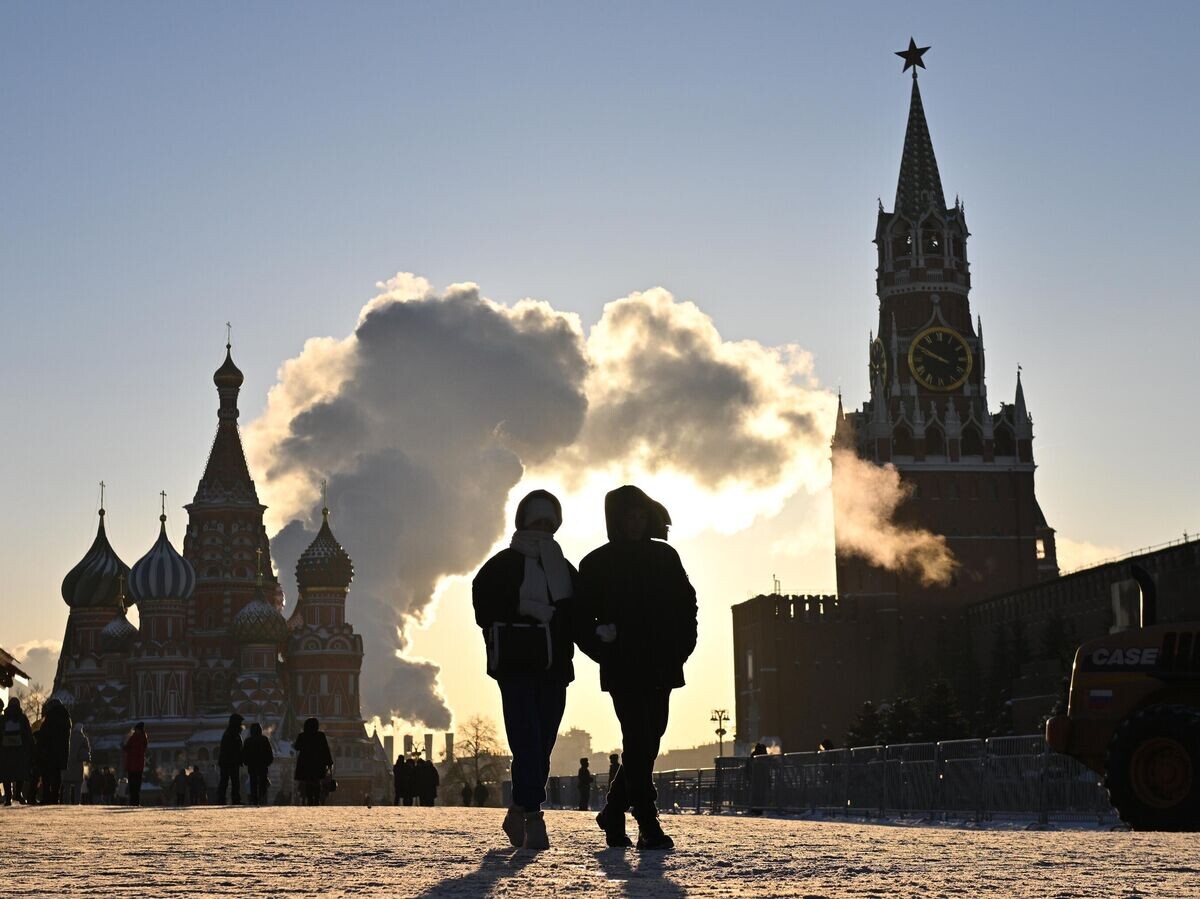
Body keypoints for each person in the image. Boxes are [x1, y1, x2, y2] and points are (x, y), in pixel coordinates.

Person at [472, 489, 592, 851]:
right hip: (516, 666)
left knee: (543, 743)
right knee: (526, 737)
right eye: (537, 521)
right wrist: (525, 608)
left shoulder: (563, 567)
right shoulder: (502, 565)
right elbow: (484, 607)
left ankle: (516, 812)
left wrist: (599, 635)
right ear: (523, 522)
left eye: (548, 523)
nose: (543, 529)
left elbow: (578, 615)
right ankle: (534, 817)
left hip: (555, 666)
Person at [581, 486, 697, 850]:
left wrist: (683, 646)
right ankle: (647, 820)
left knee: (650, 738)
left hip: (662, 661)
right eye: (628, 516)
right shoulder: (596, 563)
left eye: (640, 515)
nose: (635, 523)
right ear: (615, 520)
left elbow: (686, 603)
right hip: (623, 665)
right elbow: (581, 619)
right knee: (638, 736)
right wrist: (603, 647)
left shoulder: (665, 556)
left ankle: (613, 810)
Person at [35, 698, 72, 804]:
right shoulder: (66, 717)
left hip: (49, 752)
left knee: (46, 775)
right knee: (57, 775)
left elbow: (45, 734)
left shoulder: (50, 717)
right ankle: (55, 797)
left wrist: (38, 736)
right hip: (61, 752)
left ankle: (46, 797)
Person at [1, 697, 34, 805]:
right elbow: (28, 735)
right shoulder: (22, 718)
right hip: (20, 751)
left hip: (5, 752)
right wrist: (30, 747)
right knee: (20, 772)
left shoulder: (3, 718)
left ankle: (8, 797)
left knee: (6, 774)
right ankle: (18, 794)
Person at [293, 716, 333, 806]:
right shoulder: (320, 735)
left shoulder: (302, 735)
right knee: (316, 781)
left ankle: (310, 799)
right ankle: (316, 799)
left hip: (305, 763)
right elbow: (326, 749)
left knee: (308, 782)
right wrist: (329, 762)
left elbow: (296, 747)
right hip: (318, 763)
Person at [243, 722, 274, 805]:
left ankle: (255, 800)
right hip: (263, 766)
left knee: (253, 783)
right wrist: (268, 762)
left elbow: (244, 754)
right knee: (262, 783)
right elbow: (269, 753)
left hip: (252, 766)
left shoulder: (248, 741)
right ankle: (261, 799)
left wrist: (247, 762)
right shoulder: (264, 739)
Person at [217, 713, 244, 804]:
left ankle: (230, 799)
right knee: (229, 781)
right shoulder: (231, 734)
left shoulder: (232, 733)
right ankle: (229, 799)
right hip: (229, 762)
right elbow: (234, 749)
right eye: (239, 722)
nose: (241, 725)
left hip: (229, 762)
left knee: (231, 782)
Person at [63, 722, 91, 804]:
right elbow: (88, 750)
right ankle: (76, 802)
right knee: (78, 785)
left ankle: (66, 802)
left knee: (67, 786)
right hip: (78, 764)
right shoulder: (83, 738)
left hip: (67, 764)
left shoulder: (68, 736)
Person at [122, 722, 149, 806]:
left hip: (135, 765)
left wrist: (128, 748)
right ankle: (134, 802)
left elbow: (137, 750)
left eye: (136, 729)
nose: (135, 731)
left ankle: (135, 802)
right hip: (134, 765)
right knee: (133, 785)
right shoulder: (137, 737)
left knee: (135, 785)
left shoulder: (139, 738)